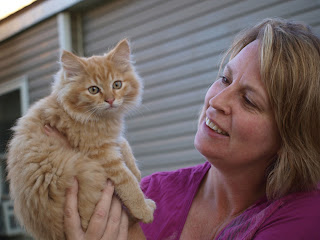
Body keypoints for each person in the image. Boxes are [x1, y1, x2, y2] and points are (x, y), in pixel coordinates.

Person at [45, 17, 320, 239]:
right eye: (225, 79)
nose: (216, 100)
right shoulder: (151, 191)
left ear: (291, 136)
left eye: (249, 100)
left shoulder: (307, 216)